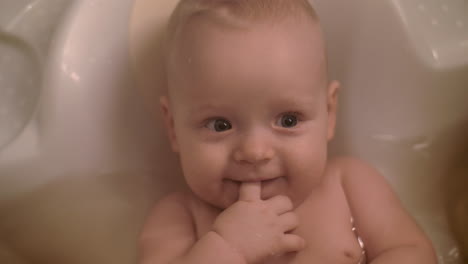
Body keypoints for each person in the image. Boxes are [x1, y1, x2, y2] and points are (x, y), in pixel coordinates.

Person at [139, 0, 437, 263]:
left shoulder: (350, 186)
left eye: (289, 120)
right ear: (174, 128)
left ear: (329, 114)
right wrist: (228, 249)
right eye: (220, 125)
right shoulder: (179, 219)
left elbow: (415, 252)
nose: (255, 152)